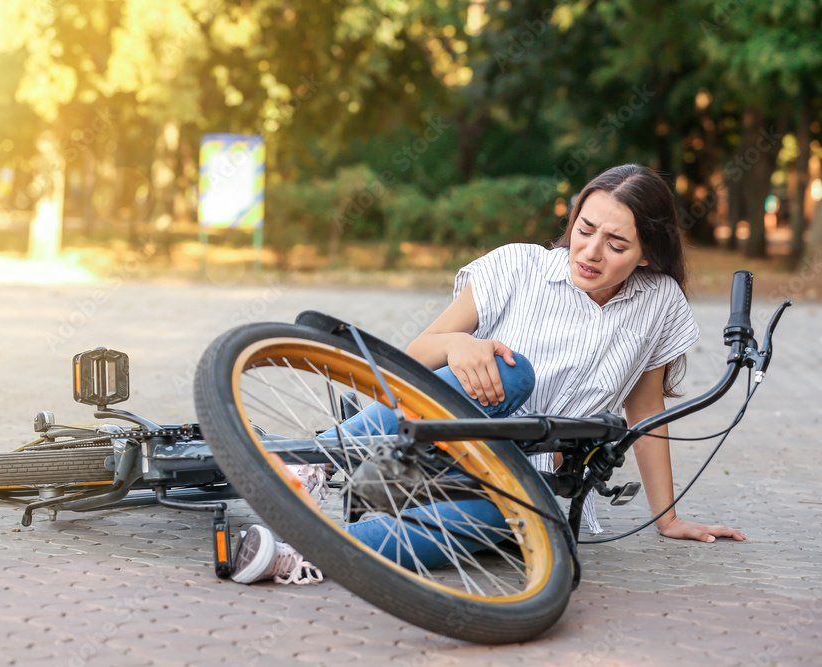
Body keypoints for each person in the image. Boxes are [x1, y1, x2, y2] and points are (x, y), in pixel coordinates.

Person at [230, 164, 747, 586]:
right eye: (584, 230)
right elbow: (416, 353)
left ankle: (301, 553)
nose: (590, 252)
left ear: (647, 254)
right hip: (438, 432)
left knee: (525, 507)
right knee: (513, 373)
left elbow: (646, 411)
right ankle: (313, 461)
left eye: (616, 245)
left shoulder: (658, 303)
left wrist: (668, 517)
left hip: (520, 467)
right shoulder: (518, 266)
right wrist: (460, 346)